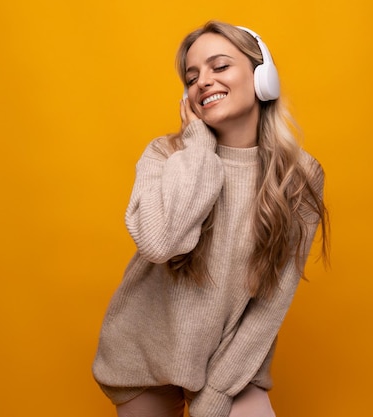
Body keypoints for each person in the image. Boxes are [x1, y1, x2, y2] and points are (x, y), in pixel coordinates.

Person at [92, 20, 329, 417]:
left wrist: (218, 392)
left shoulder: (299, 177)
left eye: (219, 67)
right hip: (144, 353)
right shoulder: (165, 156)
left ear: (262, 77)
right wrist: (199, 147)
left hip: (230, 360)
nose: (203, 81)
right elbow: (158, 242)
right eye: (192, 76)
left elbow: (271, 302)